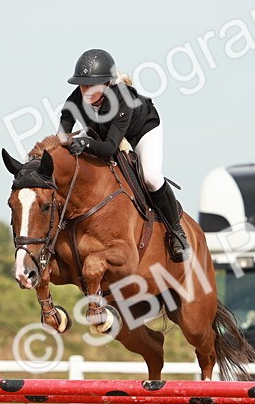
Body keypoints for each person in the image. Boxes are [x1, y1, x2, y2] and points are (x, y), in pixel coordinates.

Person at [58, 48, 190, 262]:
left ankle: (176, 232)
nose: (86, 91)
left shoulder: (123, 98)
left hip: (142, 130)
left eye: (92, 86)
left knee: (150, 176)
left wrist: (83, 142)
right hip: (104, 131)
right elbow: (62, 134)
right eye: (83, 85)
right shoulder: (75, 99)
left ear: (107, 84)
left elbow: (110, 148)